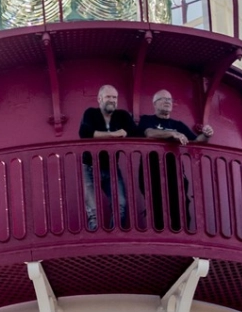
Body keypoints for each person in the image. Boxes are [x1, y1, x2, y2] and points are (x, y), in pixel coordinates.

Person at [137, 90, 211, 231]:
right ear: (154, 104)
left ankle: (181, 236)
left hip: (174, 172)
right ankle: (159, 238)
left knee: (181, 204)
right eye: (163, 99)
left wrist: (206, 135)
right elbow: (149, 133)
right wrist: (172, 133)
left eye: (170, 100)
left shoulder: (178, 124)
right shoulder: (147, 119)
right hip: (151, 171)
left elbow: (196, 141)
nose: (167, 102)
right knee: (156, 205)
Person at [78, 84, 136, 231]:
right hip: (89, 167)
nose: (112, 100)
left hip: (111, 168)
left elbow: (135, 133)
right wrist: (115, 134)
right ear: (99, 99)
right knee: (93, 211)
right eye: (108, 96)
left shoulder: (122, 116)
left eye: (115, 97)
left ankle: (115, 236)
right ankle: (94, 240)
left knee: (120, 205)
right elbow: (85, 133)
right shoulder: (90, 113)